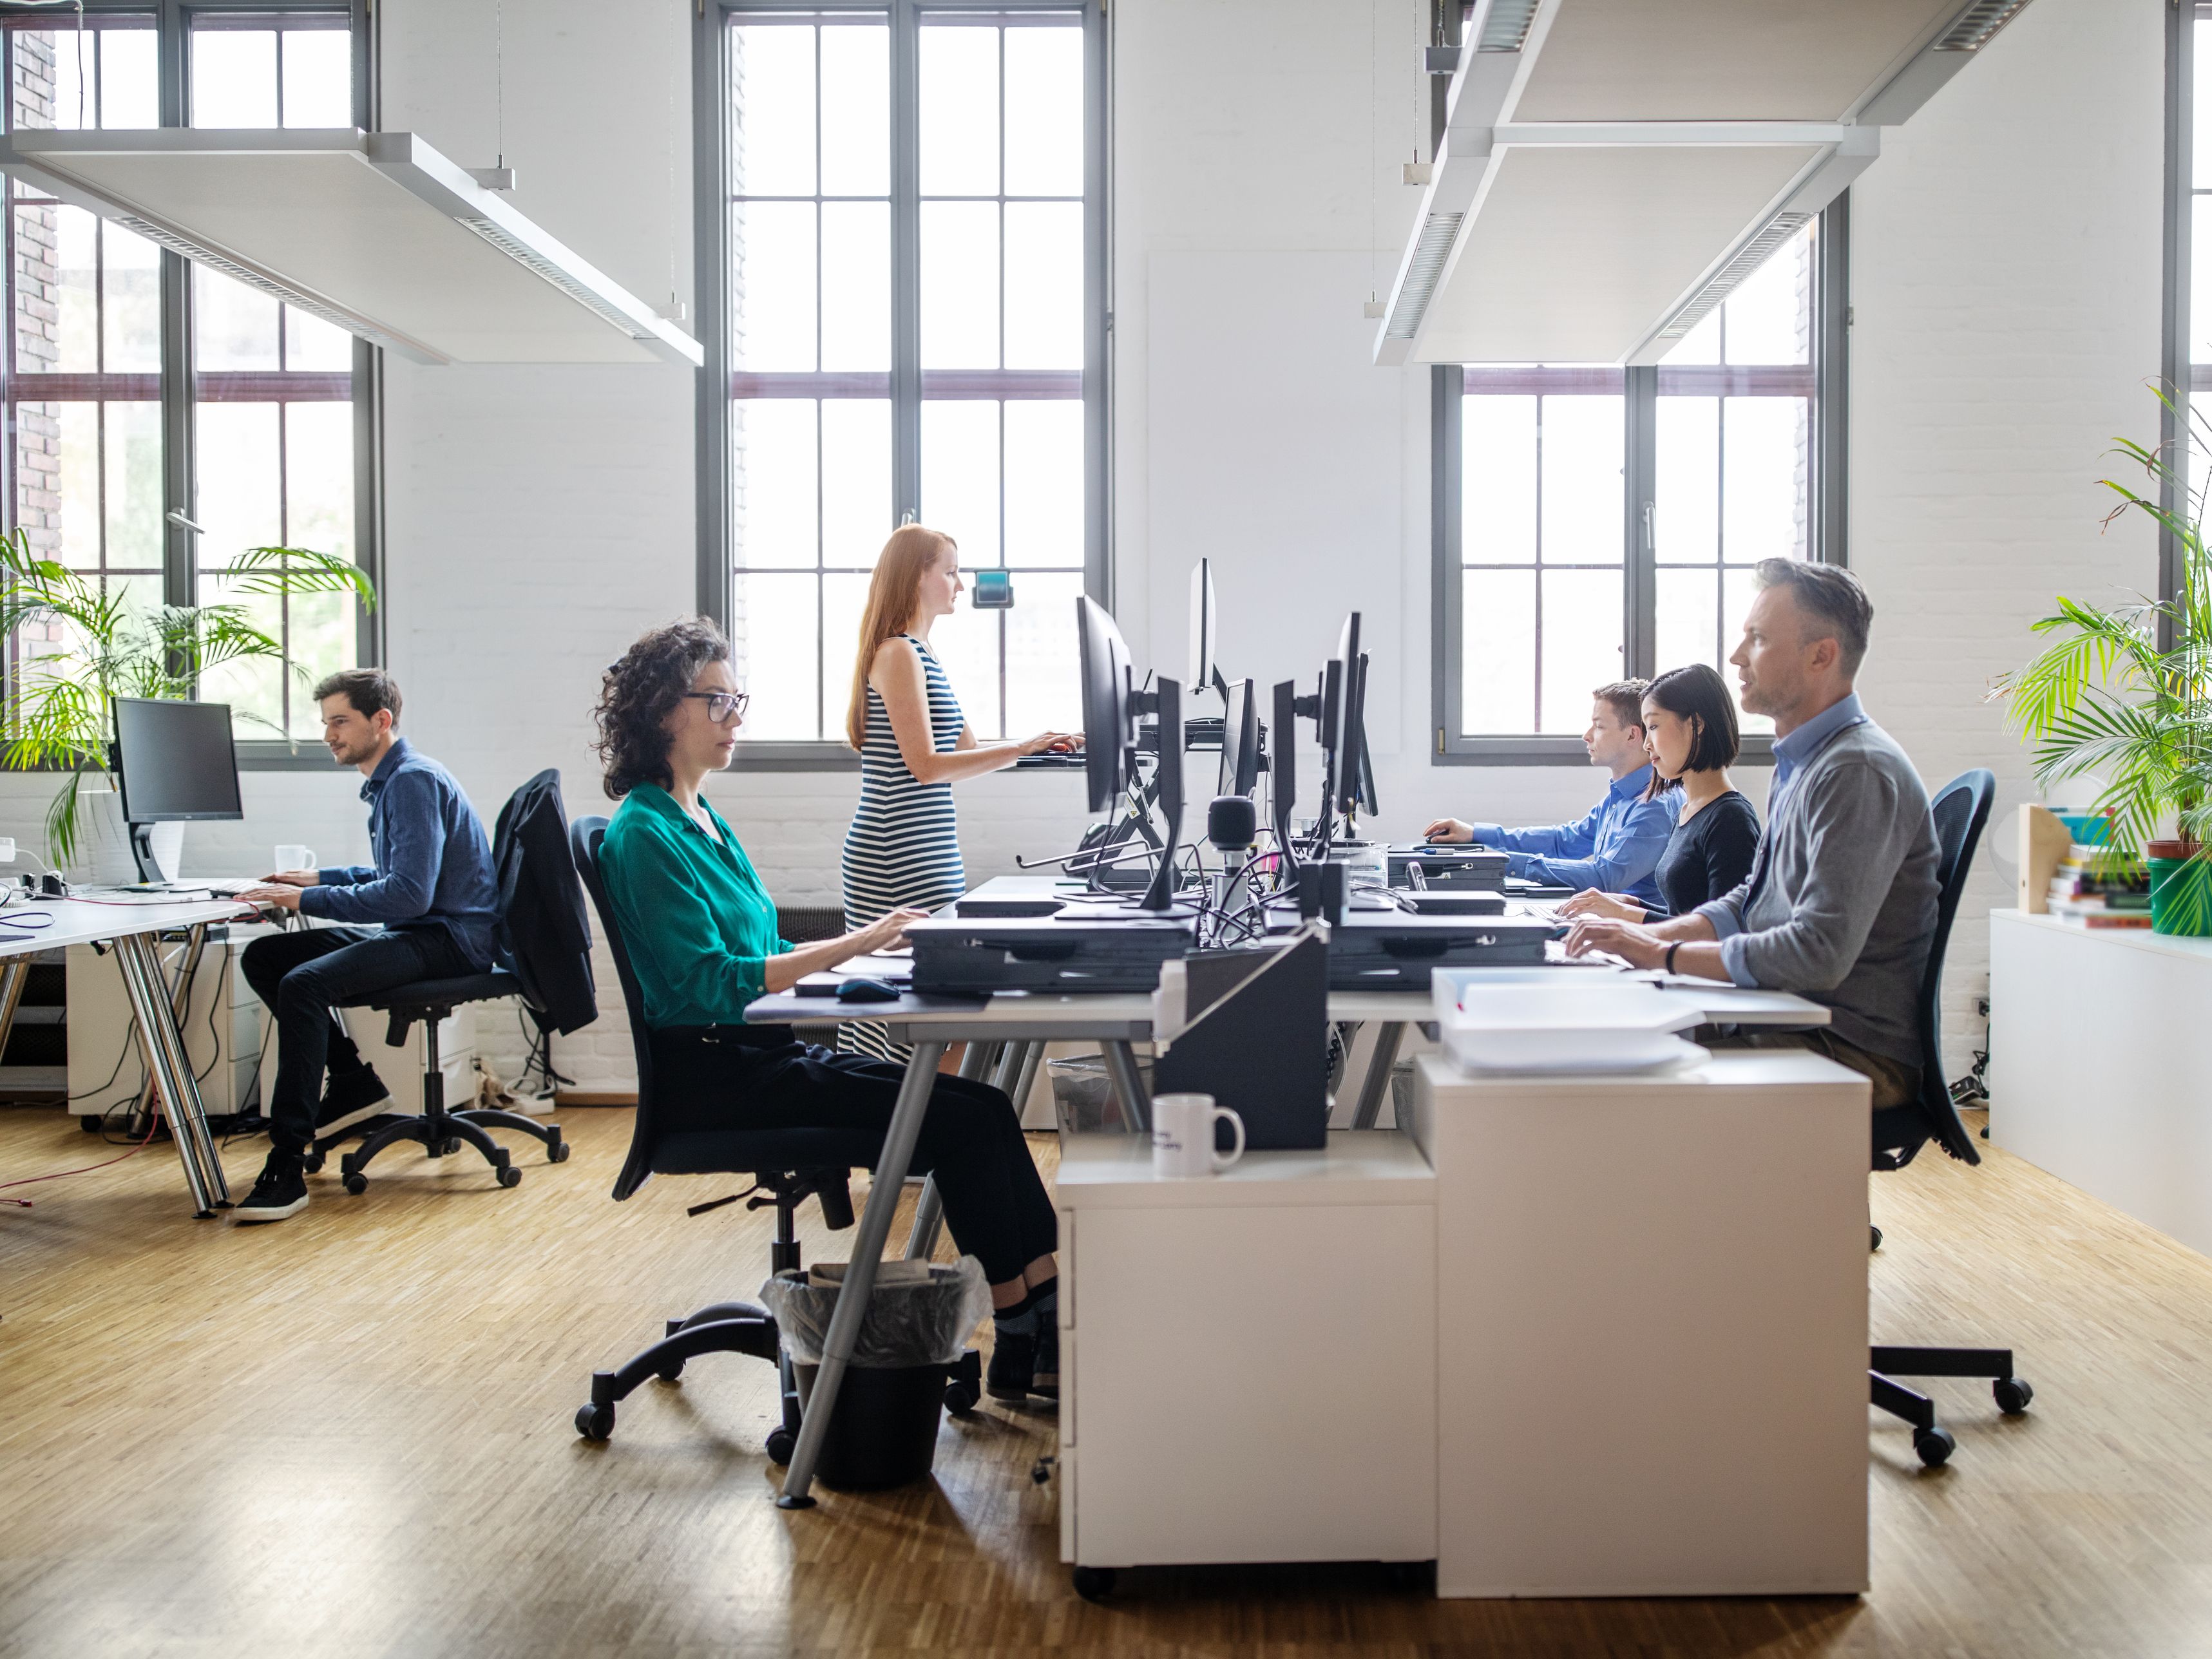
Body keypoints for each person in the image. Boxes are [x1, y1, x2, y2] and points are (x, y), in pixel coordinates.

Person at [597, 617, 1062, 1403]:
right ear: (660, 711)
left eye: (735, 698)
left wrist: (879, 954)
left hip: (762, 1057)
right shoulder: (643, 834)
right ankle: (1026, 1333)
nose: (734, 715)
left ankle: (1046, 1314)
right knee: (962, 1123)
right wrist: (857, 943)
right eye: (717, 700)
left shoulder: (701, 817)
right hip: (719, 1078)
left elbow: (766, 940)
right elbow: (718, 982)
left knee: (984, 1104)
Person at [1563, 560, 1940, 1111]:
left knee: (1610, 1077)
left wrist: (1662, 956)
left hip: (1849, 1047)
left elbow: (1817, 953)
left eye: (1758, 639)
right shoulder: (1804, 762)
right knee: (1595, 1039)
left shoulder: (1856, 771)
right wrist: (1653, 941)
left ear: (1822, 655)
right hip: (1793, 1014)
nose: (1737, 656)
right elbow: (1751, 900)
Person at [231, 668, 501, 1222]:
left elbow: (406, 895)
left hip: (447, 939)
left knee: (303, 985)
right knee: (267, 957)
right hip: (426, 929)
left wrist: (307, 903)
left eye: (340, 722)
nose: (329, 735)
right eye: (325, 722)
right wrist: (316, 879)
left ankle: (285, 1162)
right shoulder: (394, 779)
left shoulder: (410, 781)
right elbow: (399, 875)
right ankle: (353, 1082)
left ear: (381, 721)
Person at [841, 524, 1076, 1063]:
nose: (960, 585)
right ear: (916, 577)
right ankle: (891, 1135)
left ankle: (923, 1134)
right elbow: (926, 767)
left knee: (936, 1003)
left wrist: (1040, 746)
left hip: (927, 847)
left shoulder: (923, 653)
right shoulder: (898, 654)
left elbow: (965, 749)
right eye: (949, 571)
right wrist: (1022, 747)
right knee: (913, 1006)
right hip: (897, 850)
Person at [1424, 679, 1679, 907]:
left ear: (1633, 735)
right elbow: (1565, 841)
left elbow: (1604, 877)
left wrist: (1504, 862)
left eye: (1598, 727)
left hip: (1635, 933)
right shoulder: (1621, 795)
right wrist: (1476, 834)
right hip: (1606, 919)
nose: (1587, 736)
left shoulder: (1652, 807)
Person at [1556, 663, 1761, 924]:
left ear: (1696, 724)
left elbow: (1723, 932)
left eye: (1653, 727)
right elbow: (1685, 914)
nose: (1646, 744)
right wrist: (1628, 904)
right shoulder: (1688, 810)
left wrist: (1626, 914)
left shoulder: (1731, 819)